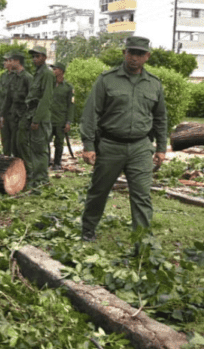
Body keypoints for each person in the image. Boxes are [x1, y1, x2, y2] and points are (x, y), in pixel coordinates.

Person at [80, 36, 167, 242]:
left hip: (140, 147)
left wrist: (162, 147)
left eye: (139, 54)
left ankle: (142, 240)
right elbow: (90, 113)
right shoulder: (106, 80)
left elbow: (160, 118)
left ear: (147, 56)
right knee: (99, 191)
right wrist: (88, 145)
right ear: (124, 53)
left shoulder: (154, 84)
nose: (134, 57)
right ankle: (88, 230)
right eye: (131, 52)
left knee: (142, 196)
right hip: (110, 146)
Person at [21, 45, 54, 187]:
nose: (35, 59)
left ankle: (41, 180)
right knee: (33, 148)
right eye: (33, 57)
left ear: (45, 58)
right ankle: (36, 176)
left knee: (40, 149)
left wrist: (37, 119)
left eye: (38, 56)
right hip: (32, 114)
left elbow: (46, 99)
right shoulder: (38, 73)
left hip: (40, 117)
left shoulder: (47, 73)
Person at [3, 51, 32, 159]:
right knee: (13, 144)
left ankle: (28, 170)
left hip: (23, 115)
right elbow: (8, 98)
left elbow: (32, 99)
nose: (9, 63)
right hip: (13, 115)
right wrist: (3, 115)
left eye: (11, 60)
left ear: (17, 61)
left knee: (22, 144)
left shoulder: (27, 78)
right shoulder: (13, 77)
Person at [49, 62, 74, 171]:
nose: (53, 71)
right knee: (45, 141)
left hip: (60, 120)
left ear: (62, 71)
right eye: (53, 69)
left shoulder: (68, 87)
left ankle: (57, 163)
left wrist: (68, 122)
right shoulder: (49, 85)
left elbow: (71, 106)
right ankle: (46, 162)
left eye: (55, 69)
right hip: (48, 119)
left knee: (59, 143)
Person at [0, 52, 16, 156]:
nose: (4, 63)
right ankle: (6, 159)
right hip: (3, 112)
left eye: (7, 60)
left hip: (14, 113)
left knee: (15, 140)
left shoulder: (19, 75)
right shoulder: (3, 76)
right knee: (5, 138)